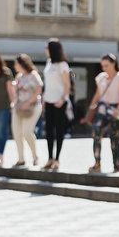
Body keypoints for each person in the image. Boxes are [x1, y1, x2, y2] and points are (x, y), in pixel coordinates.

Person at [85, 54, 119, 173]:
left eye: (107, 65)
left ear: (114, 63)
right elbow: (98, 94)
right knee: (96, 134)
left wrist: (118, 109)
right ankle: (97, 163)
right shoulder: (101, 77)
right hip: (102, 109)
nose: (104, 68)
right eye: (102, 66)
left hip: (115, 109)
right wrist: (91, 107)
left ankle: (117, 164)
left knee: (115, 138)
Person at [42, 39, 71, 171]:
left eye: (46, 47)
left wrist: (63, 99)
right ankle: (49, 158)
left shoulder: (62, 65)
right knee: (48, 131)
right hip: (48, 100)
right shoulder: (48, 63)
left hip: (59, 102)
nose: (44, 50)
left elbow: (67, 85)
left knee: (59, 131)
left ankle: (57, 159)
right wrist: (43, 100)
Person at [11, 54, 43, 168]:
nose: (14, 66)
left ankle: (35, 157)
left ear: (22, 64)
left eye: (16, 63)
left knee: (27, 132)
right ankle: (21, 159)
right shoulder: (19, 76)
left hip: (32, 107)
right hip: (18, 107)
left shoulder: (33, 75)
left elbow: (39, 89)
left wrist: (28, 102)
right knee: (17, 133)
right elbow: (15, 93)